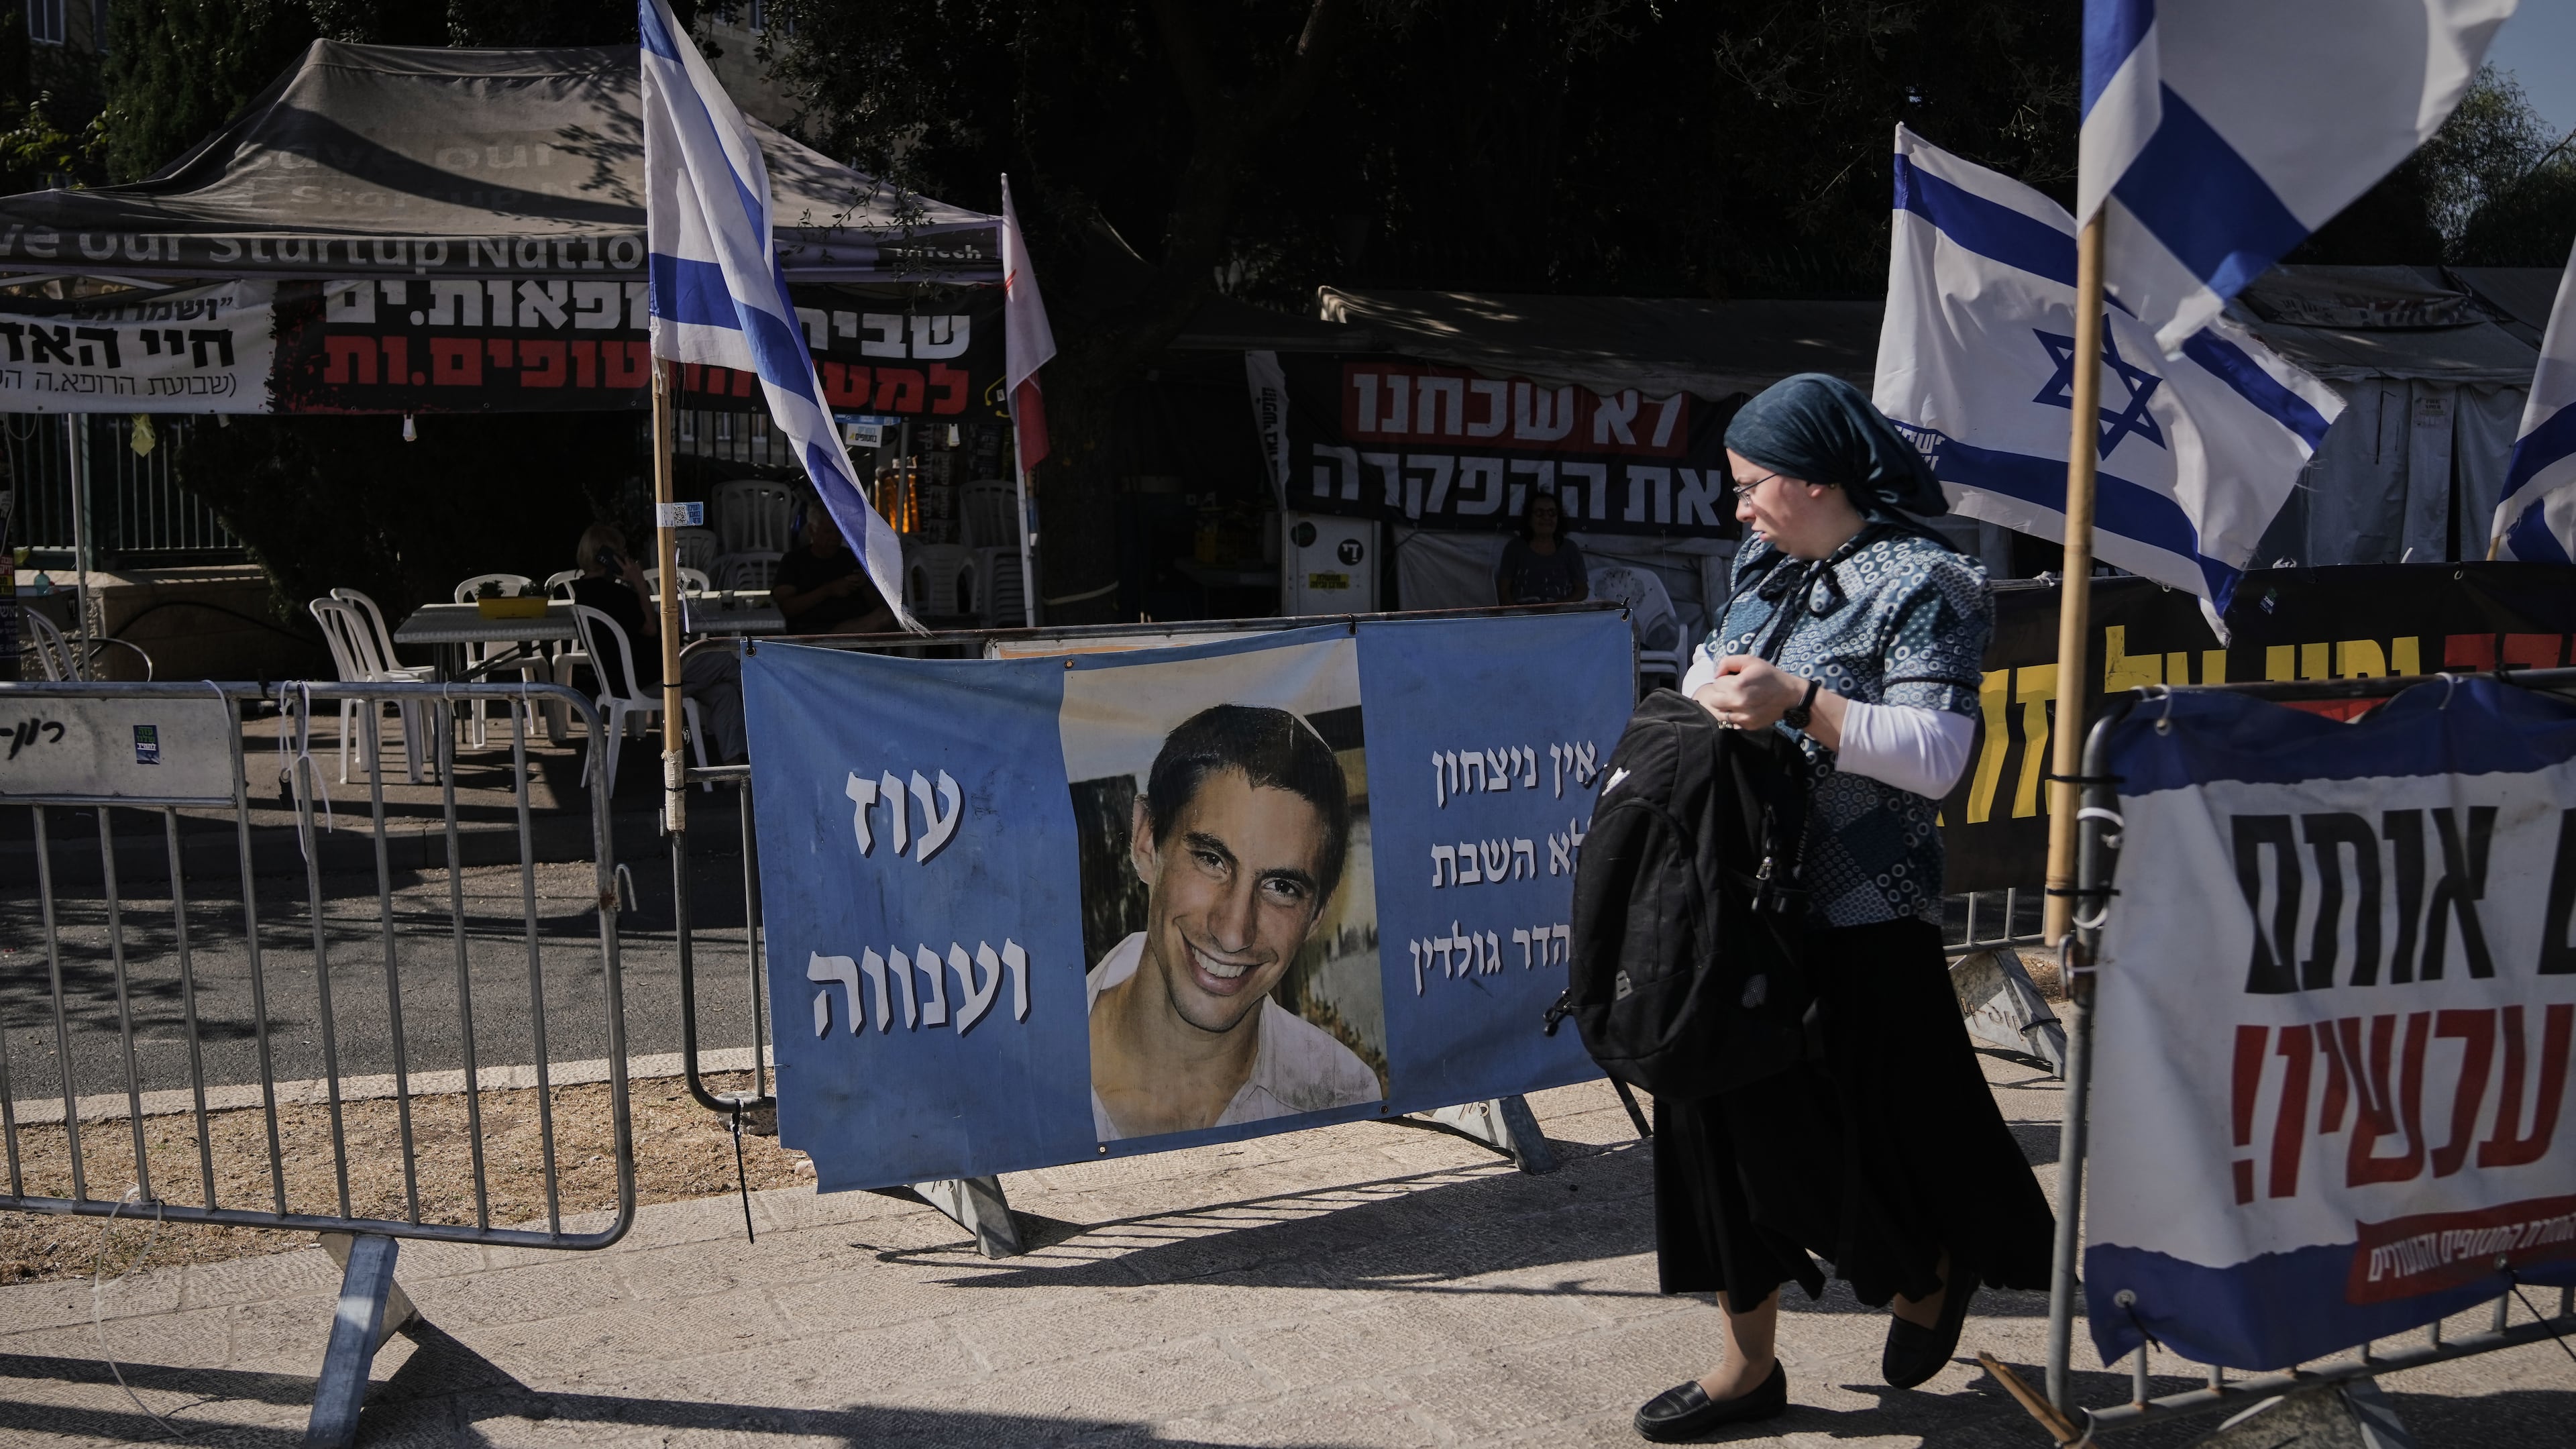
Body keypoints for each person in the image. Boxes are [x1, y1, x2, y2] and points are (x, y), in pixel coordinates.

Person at [1629, 374, 2054, 1440]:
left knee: (1847, 1135)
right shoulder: (1764, 567)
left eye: (1751, 485)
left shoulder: (1926, 580)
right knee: (1710, 1121)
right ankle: (1747, 1369)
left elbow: (1940, 757)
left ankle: (1924, 1274)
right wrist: (1710, 699)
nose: (1738, 507)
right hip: (1735, 902)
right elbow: (1710, 680)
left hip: (1861, 913)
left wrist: (1800, 702)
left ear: (1817, 477)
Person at [1087, 704, 1382, 1140]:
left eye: (1281, 887)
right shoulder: (1018, 1071)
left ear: (1317, 915)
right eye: (1211, 860)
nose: (1233, 933)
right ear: (1147, 841)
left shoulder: (1341, 1096)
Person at [567, 522, 747, 764]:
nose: (628, 558)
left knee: (724, 693)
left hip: (624, 683)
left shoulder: (585, 593)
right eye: (622, 553)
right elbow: (650, 628)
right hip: (651, 679)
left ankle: (733, 768)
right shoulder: (614, 595)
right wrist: (639, 583)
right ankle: (770, 720)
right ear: (606, 557)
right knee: (724, 660)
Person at [771, 498, 896, 635]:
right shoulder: (793, 561)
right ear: (812, 531)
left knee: (887, 617)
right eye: (828, 532)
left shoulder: (852, 558)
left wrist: (864, 583)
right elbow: (787, 608)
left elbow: (878, 605)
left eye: (838, 531)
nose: (834, 538)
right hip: (812, 631)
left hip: (859, 627)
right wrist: (828, 590)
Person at [1495, 490, 1589, 605]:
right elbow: (1504, 592)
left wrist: (1557, 608)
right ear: (1529, 518)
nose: (1546, 517)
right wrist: (1521, 613)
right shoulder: (1514, 548)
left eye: (1552, 513)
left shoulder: (1570, 549)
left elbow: (1582, 590)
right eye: (1539, 513)